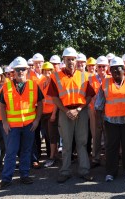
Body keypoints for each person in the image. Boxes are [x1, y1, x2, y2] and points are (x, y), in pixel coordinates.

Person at [47, 47, 95, 183]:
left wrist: (78, 109)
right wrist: (65, 110)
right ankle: (65, 171)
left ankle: (84, 171)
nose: (71, 62)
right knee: (67, 143)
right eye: (68, 59)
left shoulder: (84, 75)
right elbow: (55, 98)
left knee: (82, 142)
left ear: (76, 60)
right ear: (63, 60)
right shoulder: (56, 76)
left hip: (81, 111)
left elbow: (89, 96)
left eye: (73, 59)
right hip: (65, 112)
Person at [0, 56, 43, 190]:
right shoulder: (6, 86)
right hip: (12, 126)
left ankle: (24, 175)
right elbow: (2, 106)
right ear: (13, 72)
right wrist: (4, 122)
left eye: (23, 69)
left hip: (29, 125)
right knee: (11, 152)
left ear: (27, 70)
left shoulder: (33, 85)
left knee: (26, 151)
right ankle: (6, 179)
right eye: (18, 70)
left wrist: (37, 120)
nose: (20, 72)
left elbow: (40, 103)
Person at [96, 56, 125, 182]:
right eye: (112, 70)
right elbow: (98, 104)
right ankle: (110, 172)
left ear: (124, 69)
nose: (115, 72)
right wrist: (98, 120)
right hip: (111, 122)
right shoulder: (105, 83)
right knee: (111, 147)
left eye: (117, 69)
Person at [90, 56, 109, 168]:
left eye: (104, 66)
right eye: (100, 66)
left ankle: (108, 157)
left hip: (108, 111)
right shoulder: (91, 79)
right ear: (96, 67)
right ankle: (95, 158)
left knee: (108, 135)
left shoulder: (111, 78)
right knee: (96, 136)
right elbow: (89, 95)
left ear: (107, 67)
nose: (102, 68)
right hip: (95, 111)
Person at [39, 62, 59, 168]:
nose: (48, 72)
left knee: (52, 136)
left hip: (52, 113)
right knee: (47, 135)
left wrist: (54, 114)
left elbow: (56, 100)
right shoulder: (41, 82)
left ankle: (52, 157)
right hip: (44, 112)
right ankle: (54, 154)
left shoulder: (54, 82)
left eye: (50, 70)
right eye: (45, 70)